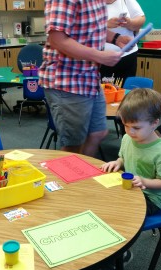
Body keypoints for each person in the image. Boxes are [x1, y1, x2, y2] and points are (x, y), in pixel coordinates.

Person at [39, 0, 132, 157]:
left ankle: (82, 172)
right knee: (73, 145)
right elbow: (57, 39)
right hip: (67, 80)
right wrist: (100, 56)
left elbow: (92, 28)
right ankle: (72, 178)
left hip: (89, 78)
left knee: (98, 133)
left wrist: (116, 38)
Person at [100, 88, 161, 270]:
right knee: (100, 201)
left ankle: (120, 255)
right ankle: (102, 249)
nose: (130, 132)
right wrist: (117, 162)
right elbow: (124, 158)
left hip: (152, 198)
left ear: (155, 123)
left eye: (136, 127)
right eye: (126, 125)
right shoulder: (127, 138)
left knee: (119, 216)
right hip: (132, 188)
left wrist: (144, 181)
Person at [100, 0, 146, 83]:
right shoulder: (90, 3)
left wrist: (129, 23)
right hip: (100, 57)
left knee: (125, 90)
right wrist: (106, 24)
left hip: (127, 55)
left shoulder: (126, 1)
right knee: (104, 90)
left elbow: (141, 19)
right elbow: (85, 28)